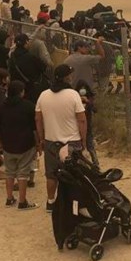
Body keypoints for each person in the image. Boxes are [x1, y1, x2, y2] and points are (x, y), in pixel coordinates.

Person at [35, 63, 88, 213]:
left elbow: (38, 119)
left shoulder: (43, 95)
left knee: (51, 175)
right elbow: (82, 119)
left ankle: (51, 201)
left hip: (51, 140)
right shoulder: (73, 95)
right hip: (71, 141)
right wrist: (83, 140)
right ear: (66, 78)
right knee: (74, 175)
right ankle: (73, 203)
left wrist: (41, 138)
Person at [0, 80, 39, 210]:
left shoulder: (2, 107)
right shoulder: (28, 106)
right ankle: (22, 201)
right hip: (26, 144)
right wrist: (38, 143)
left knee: (9, 172)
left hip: (8, 144)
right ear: (21, 92)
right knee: (23, 173)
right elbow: (34, 128)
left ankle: (9, 198)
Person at [64, 40, 102, 166]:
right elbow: (102, 56)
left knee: (75, 128)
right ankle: (94, 161)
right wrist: (98, 43)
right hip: (86, 94)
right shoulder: (85, 59)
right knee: (88, 128)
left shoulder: (67, 60)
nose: (87, 49)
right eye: (85, 47)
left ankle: (77, 159)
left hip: (72, 95)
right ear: (79, 47)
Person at [8, 33, 48, 105]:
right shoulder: (31, 57)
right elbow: (43, 67)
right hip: (30, 89)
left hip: (16, 89)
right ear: (26, 42)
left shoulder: (12, 56)